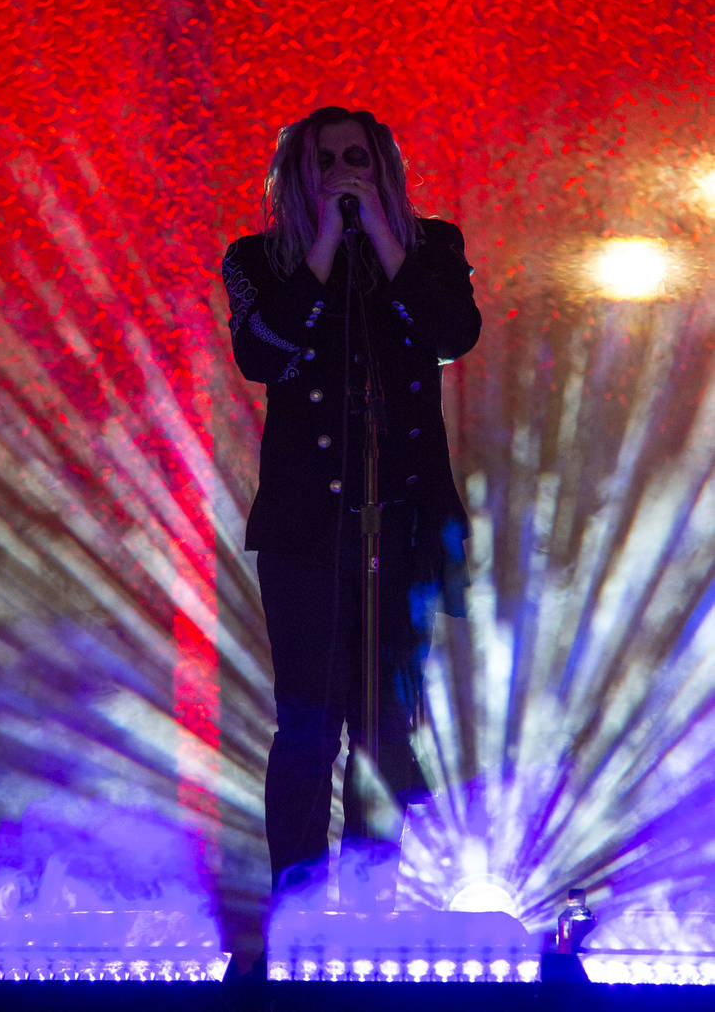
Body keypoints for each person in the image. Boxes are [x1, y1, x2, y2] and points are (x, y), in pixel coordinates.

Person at [222, 106, 481, 908]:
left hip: (400, 523)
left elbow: (453, 331)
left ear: (384, 166)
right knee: (309, 724)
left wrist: (379, 232)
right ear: (298, 175)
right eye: (326, 160)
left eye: (358, 157)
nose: (344, 170)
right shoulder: (257, 259)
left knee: (386, 731)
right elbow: (260, 353)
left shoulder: (432, 246)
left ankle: (371, 906)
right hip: (307, 530)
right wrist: (328, 245)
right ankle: (298, 907)